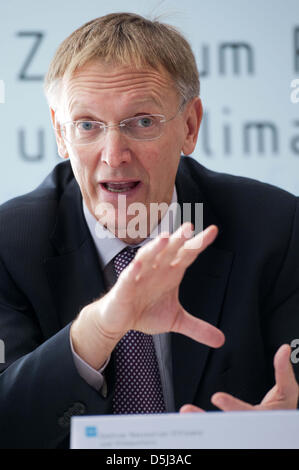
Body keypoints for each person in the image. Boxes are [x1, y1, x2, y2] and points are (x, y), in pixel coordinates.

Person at [0, 12, 298, 449]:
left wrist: (286, 427)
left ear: (190, 126)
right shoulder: (10, 243)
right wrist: (98, 329)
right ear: (60, 134)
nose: (114, 154)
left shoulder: (276, 226)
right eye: (87, 125)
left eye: (142, 122)